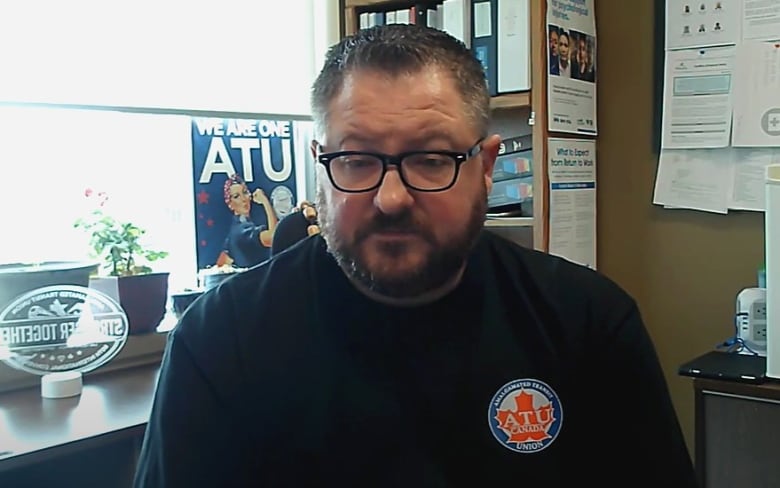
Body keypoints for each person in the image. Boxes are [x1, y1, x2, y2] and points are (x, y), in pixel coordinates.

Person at [134, 24, 698, 487]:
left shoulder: (588, 323)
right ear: (320, 165)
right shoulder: (220, 340)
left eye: (430, 159)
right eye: (356, 159)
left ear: (485, 166)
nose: (391, 198)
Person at [215, 173, 279, 268]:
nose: (243, 199)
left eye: (245, 192)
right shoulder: (241, 230)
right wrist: (265, 202)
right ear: (230, 204)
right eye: (236, 196)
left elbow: (221, 263)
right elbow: (273, 237)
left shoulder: (235, 233)